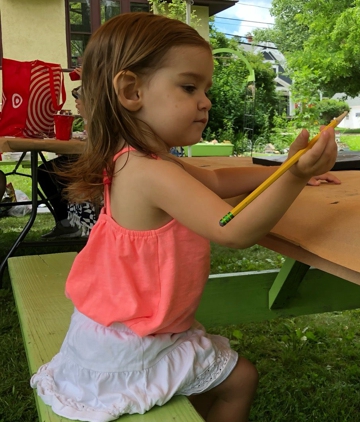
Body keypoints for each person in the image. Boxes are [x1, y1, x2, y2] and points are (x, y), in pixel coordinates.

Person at [30, 12, 339, 422]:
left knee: (218, 384)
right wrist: (295, 178)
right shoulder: (150, 172)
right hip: (133, 344)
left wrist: (281, 169)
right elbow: (233, 229)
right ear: (130, 90)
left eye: (205, 89)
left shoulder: (139, 160)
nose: (206, 101)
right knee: (241, 379)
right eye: (189, 86)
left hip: (117, 328)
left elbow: (214, 181)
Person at [39, 71, 97, 238]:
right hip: (90, 159)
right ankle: (66, 222)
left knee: (47, 172)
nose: (76, 101)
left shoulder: (100, 119)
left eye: (79, 95)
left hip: (95, 163)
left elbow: (95, 144)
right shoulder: (93, 120)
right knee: (46, 171)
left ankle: (68, 223)